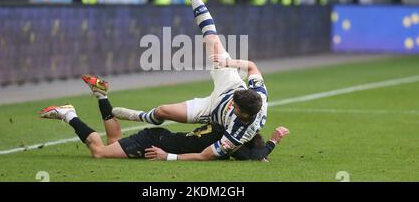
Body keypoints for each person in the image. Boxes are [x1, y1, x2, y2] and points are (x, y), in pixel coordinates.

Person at [113, 0, 269, 161]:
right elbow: (252, 67)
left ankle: (140, 116)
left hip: (212, 110)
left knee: (164, 111)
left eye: (234, 107)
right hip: (230, 86)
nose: (232, 106)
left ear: (242, 114)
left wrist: (168, 157)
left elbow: (205, 156)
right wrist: (229, 62)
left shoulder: (238, 134)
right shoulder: (259, 96)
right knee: (211, 39)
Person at [39, 76, 289, 161]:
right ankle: (68, 113)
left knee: (114, 139)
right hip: (156, 144)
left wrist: (272, 143)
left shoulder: (224, 126)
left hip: (160, 137)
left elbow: (252, 155)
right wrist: (270, 146)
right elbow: (251, 156)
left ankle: (101, 95)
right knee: (99, 152)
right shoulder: (230, 141)